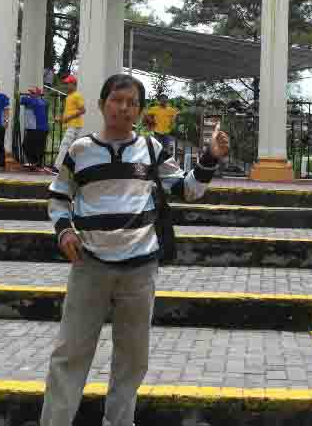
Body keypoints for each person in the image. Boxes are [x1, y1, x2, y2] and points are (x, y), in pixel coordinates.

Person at [40, 73, 231, 426]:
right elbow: (58, 197)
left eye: (132, 103)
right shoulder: (79, 151)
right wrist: (64, 231)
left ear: (140, 111)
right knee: (70, 354)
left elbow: (186, 189)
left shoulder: (151, 149)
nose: (124, 108)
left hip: (140, 269)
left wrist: (210, 158)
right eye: (117, 100)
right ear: (102, 104)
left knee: (132, 359)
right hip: (89, 265)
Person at [49, 75, 85, 174]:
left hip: (74, 125)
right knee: (74, 149)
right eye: (66, 83)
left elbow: (82, 110)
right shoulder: (69, 96)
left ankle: (57, 168)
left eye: (68, 83)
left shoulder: (77, 96)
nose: (66, 86)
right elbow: (70, 112)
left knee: (64, 146)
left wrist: (67, 118)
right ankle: (76, 169)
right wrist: (61, 119)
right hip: (73, 125)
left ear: (74, 84)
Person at [20, 86, 50, 171]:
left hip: (38, 128)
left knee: (35, 147)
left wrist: (24, 96)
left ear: (38, 94)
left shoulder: (33, 101)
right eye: (30, 92)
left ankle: (36, 164)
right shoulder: (43, 102)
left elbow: (22, 100)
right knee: (30, 146)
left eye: (32, 93)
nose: (30, 94)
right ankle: (34, 163)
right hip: (36, 128)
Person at [144, 93, 180, 157]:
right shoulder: (154, 109)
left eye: (165, 99)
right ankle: (155, 160)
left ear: (167, 100)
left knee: (166, 150)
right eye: (162, 99)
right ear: (159, 101)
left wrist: (175, 118)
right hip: (157, 132)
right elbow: (146, 114)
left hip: (166, 133)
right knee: (155, 149)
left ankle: (164, 160)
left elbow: (176, 114)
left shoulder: (171, 110)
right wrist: (151, 121)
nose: (164, 101)